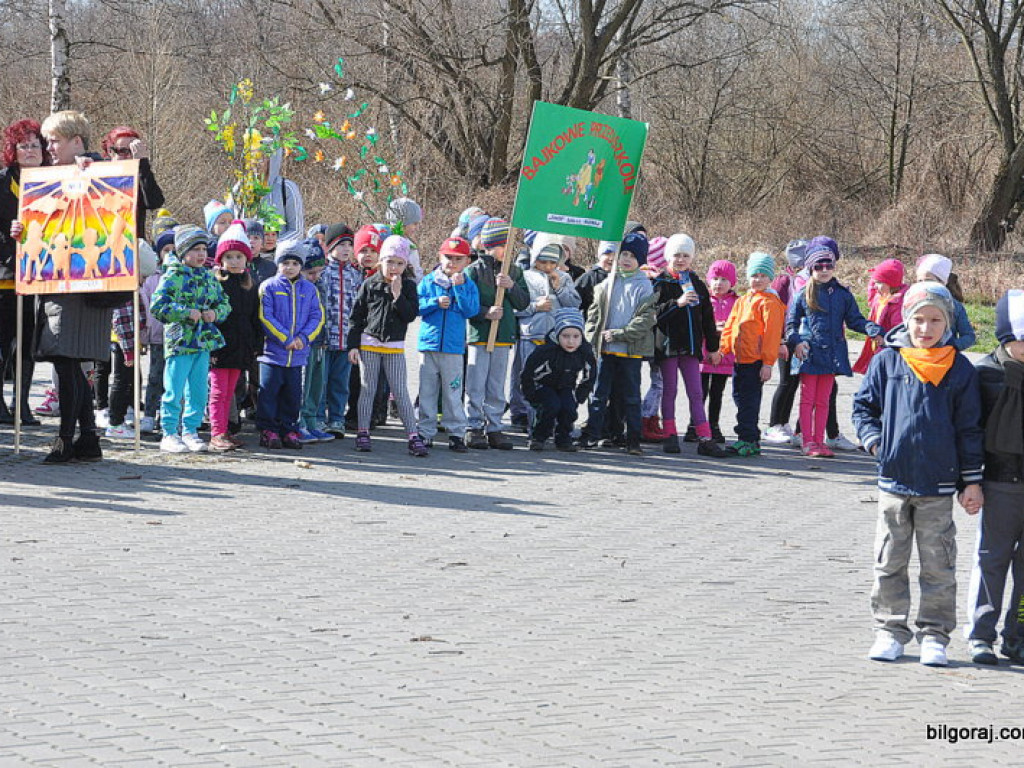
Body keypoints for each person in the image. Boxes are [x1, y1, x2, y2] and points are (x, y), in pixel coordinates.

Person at [853, 282, 984, 666]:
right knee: (889, 560)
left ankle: (934, 634)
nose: (925, 328)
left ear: (948, 323)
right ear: (905, 320)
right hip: (894, 481)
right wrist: (876, 443)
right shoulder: (887, 361)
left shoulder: (960, 369)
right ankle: (890, 630)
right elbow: (863, 408)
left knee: (938, 563)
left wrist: (971, 480)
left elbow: (970, 428)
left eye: (935, 320)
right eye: (918, 319)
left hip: (938, 486)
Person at [966, 289, 1024, 665]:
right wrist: (970, 481)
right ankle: (981, 634)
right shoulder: (986, 374)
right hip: (1001, 483)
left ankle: (1017, 634)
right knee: (992, 559)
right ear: (1007, 336)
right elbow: (970, 431)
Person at [786, 242, 882, 457]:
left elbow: (855, 320)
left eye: (828, 266)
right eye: (819, 267)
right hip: (809, 353)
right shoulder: (803, 293)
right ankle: (807, 440)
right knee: (808, 398)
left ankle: (820, 441)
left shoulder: (843, 294)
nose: (824, 270)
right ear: (811, 268)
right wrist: (797, 342)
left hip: (832, 355)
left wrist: (873, 329)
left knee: (824, 400)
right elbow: (790, 324)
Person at [150, 225, 231, 454]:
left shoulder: (208, 277)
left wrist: (215, 314)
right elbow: (158, 306)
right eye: (195, 249)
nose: (201, 254)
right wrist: (185, 312)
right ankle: (169, 432)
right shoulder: (172, 275)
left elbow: (224, 303)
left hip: (203, 342)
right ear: (184, 251)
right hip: (179, 342)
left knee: (197, 390)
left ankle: (191, 431)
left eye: (204, 249)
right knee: (174, 389)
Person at [578, 232, 657, 455]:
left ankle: (633, 439)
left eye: (632, 256)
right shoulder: (607, 283)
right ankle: (593, 434)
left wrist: (621, 334)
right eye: (623, 253)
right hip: (605, 349)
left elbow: (644, 320)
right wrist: (590, 340)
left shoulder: (644, 286)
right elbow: (594, 316)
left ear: (640, 260)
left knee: (631, 396)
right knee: (598, 394)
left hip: (629, 351)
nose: (626, 259)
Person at [346, 235, 425, 456]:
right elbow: (356, 317)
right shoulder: (370, 284)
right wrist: (353, 345)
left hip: (394, 346)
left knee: (400, 390)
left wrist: (398, 295)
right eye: (390, 262)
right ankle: (363, 431)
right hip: (369, 344)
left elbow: (410, 316)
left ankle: (412, 435)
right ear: (381, 261)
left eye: (399, 263)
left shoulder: (408, 286)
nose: (394, 268)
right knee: (367, 389)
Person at [652, 233, 726, 458]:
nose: (681, 259)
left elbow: (707, 319)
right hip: (668, 346)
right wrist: (677, 303)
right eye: (676, 255)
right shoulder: (660, 282)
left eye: (686, 255)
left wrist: (713, 348)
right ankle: (670, 434)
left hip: (691, 347)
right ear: (668, 257)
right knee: (670, 391)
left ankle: (705, 438)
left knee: (696, 391)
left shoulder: (697, 283)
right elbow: (654, 314)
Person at [463, 217, 530, 450]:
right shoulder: (473, 271)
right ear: (491, 245)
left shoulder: (515, 272)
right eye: (504, 245)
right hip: (480, 336)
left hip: (503, 337)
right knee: (476, 384)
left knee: (496, 385)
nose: (508, 251)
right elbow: (466, 306)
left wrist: (511, 286)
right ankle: (473, 425)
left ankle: (494, 426)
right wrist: (485, 313)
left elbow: (523, 303)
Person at [0, 119, 48, 426]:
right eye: (23, 146)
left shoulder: (54, 178)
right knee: (4, 341)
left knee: (29, 342)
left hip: (42, 272)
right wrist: (8, 231)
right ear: (12, 151)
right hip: (6, 272)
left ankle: (22, 404)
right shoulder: (3, 180)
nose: (29, 151)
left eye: (35, 145)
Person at [255, 238, 325, 449]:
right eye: (286, 263)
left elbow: (317, 316)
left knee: (292, 395)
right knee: (268, 393)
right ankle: (268, 429)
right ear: (278, 264)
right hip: (273, 354)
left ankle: (289, 429)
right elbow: (266, 316)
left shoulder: (310, 289)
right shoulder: (268, 286)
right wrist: (285, 338)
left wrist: (303, 338)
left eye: (295, 264)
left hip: (297, 356)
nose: (290, 267)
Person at [718, 252, 786, 457]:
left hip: (756, 360)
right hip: (741, 359)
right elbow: (730, 325)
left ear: (770, 278)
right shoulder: (744, 300)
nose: (757, 280)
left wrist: (767, 363)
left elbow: (772, 335)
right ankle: (750, 436)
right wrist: (723, 350)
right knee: (739, 398)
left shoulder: (770, 303)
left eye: (762, 276)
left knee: (749, 401)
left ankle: (747, 439)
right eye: (754, 275)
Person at [416, 236, 480, 451]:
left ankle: (456, 432)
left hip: (453, 347)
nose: (452, 263)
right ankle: (425, 431)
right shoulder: (428, 281)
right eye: (448, 257)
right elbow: (416, 306)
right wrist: (434, 302)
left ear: (466, 262)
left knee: (453, 392)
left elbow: (471, 310)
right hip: (429, 344)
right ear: (439, 257)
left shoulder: (468, 284)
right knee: (427, 391)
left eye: (458, 259)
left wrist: (459, 289)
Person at [509, 241, 581, 431]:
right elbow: (514, 307)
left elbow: (574, 304)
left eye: (552, 263)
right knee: (529, 379)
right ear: (535, 260)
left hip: (557, 340)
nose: (548, 267)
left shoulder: (564, 277)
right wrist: (535, 306)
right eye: (543, 262)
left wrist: (559, 288)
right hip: (531, 336)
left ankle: (554, 421)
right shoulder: (524, 277)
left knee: (554, 380)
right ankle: (530, 419)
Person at [208, 221, 260, 451]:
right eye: (229, 257)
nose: (234, 261)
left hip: (241, 347)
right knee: (218, 392)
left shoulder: (249, 285)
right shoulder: (216, 284)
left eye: (239, 256)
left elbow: (253, 318)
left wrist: (256, 344)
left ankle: (226, 430)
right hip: (220, 347)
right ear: (221, 259)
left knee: (231, 392)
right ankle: (216, 433)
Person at [521, 308, 596, 451]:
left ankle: (563, 438)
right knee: (551, 406)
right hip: (543, 385)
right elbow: (527, 372)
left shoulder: (584, 352)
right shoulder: (545, 351)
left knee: (569, 408)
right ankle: (539, 436)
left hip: (566, 385)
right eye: (565, 336)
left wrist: (580, 396)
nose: (570, 341)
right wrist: (529, 394)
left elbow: (590, 375)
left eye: (576, 336)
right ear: (557, 334)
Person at [318, 222, 360, 437]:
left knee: (340, 383)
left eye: (349, 245)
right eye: (341, 244)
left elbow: (358, 310)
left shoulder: (355, 275)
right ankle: (318, 419)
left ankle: (337, 419)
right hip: (325, 339)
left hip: (345, 340)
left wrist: (355, 340)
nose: (346, 249)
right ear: (330, 246)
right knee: (321, 382)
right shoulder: (323, 272)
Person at [763, 240, 806, 445]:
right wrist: (780, 339)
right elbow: (778, 311)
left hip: (799, 336)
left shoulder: (805, 280)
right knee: (785, 381)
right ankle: (774, 424)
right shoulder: (784, 281)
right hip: (785, 337)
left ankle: (783, 422)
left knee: (794, 382)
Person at [296, 239, 333, 443]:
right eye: (311, 272)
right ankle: (300, 422)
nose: (316, 276)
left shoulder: (321, 284)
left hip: (320, 343)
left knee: (317, 385)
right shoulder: (300, 287)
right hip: (304, 344)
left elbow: (324, 315)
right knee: (304, 384)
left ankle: (312, 421)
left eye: (320, 271)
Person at [138, 228, 175, 434]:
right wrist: (145, 334)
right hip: (158, 337)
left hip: (177, 338)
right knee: (155, 377)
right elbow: (146, 306)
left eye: (173, 249)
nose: (169, 254)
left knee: (173, 380)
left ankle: (167, 416)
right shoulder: (153, 277)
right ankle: (150, 414)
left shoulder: (180, 275)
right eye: (165, 250)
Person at [101, 126, 164, 241]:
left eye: (133, 151)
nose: (129, 156)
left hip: (133, 246)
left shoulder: (139, 177)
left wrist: (142, 164)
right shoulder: (99, 176)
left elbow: (154, 202)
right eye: (123, 151)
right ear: (111, 152)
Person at [700, 259, 738, 444]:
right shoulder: (703, 299)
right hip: (704, 353)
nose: (719, 283)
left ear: (732, 282)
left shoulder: (737, 302)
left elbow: (740, 325)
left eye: (724, 279)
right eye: (715, 278)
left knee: (717, 392)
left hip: (725, 355)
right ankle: (696, 425)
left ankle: (714, 425)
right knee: (699, 392)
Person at [853, 258, 908, 375]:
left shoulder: (898, 303)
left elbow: (898, 329)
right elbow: (871, 293)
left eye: (879, 282)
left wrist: (886, 342)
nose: (875, 286)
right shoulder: (880, 297)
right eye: (874, 282)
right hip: (875, 346)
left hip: (887, 348)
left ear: (890, 283)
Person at [915, 253, 976, 351]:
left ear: (943, 282)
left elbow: (969, 336)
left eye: (928, 280)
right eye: (919, 281)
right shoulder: (912, 304)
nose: (924, 285)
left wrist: (952, 347)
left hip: (946, 359)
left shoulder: (955, 306)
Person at [260, 148, 305, 242]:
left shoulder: (287, 188)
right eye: (253, 157)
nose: (257, 162)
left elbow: (297, 231)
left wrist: (272, 245)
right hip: (246, 253)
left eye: (262, 158)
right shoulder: (241, 189)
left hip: (279, 253)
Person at [386, 197, 425, 279]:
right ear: (403, 223)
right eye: (414, 224)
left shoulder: (409, 244)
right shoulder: (404, 246)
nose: (416, 227)